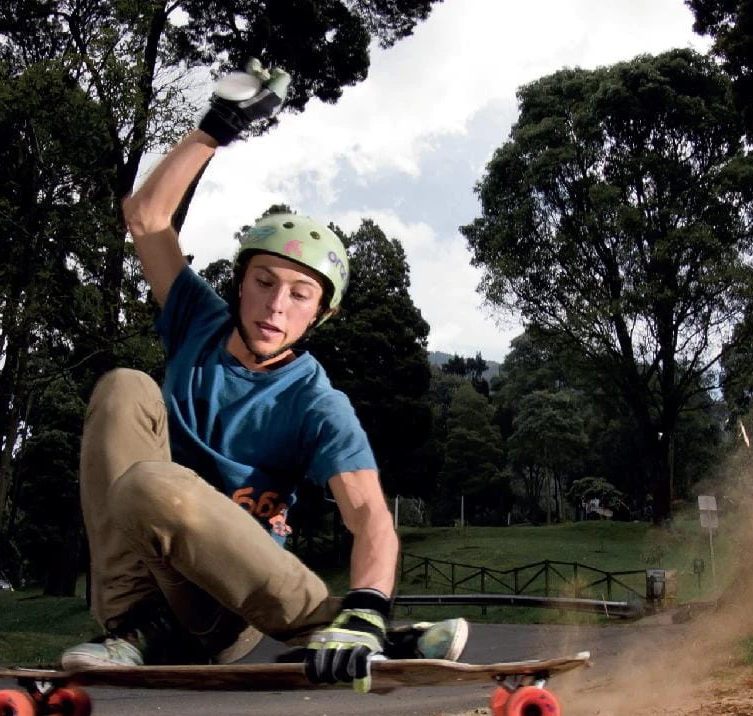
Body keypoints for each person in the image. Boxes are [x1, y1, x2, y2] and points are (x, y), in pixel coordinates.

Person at [62, 60, 467, 683]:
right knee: (124, 388)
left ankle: (351, 626)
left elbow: (369, 515)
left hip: (232, 606)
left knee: (155, 486)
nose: (276, 305)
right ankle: (137, 628)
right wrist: (217, 127)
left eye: (300, 295)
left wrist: (368, 602)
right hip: (143, 592)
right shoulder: (197, 320)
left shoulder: (316, 403)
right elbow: (146, 217)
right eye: (264, 282)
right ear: (240, 282)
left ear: (320, 314)